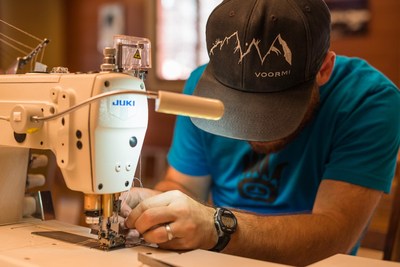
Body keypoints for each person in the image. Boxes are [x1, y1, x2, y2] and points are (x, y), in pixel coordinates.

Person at [120, 0, 400, 265]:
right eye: (236, 103)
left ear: (324, 69)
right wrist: (157, 207)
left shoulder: (368, 100)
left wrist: (217, 227)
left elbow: (334, 234)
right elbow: (184, 185)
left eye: (273, 109)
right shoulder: (199, 90)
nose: (252, 127)